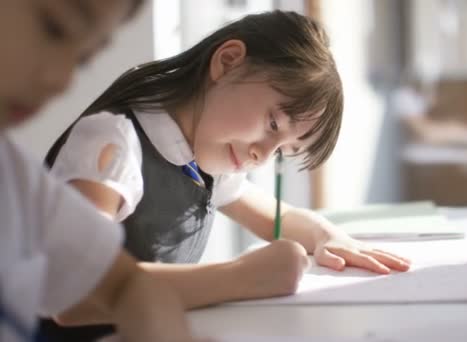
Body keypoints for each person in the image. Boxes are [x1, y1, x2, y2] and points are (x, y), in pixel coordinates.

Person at [43, 10, 412, 339]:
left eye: (282, 150)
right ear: (228, 61)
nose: (262, 154)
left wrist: (326, 236)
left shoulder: (203, 163)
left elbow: (279, 220)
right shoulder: (115, 143)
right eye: (272, 123)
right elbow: (71, 295)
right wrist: (241, 277)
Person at [0, 1, 198, 341]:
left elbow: (127, 283)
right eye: (54, 28)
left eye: (83, 59)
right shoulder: (115, 136)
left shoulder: (18, 183)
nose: (63, 81)